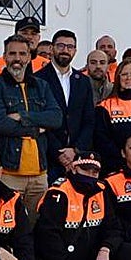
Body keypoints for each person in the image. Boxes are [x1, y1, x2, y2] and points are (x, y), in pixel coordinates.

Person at [0, 35, 62, 217]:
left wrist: (21, 116)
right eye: (12, 53)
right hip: (9, 174)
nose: (17, 58)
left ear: (29, 56)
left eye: (22, 53)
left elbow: (56, 118)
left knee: (35, 227)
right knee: (7, 225)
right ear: (4, 56)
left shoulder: (41, 86)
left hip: (40, 175)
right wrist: (36, 128)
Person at [41, 30, 95, 184]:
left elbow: (89, 120)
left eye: (70, 47)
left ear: (75, 51)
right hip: (50, 157)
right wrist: (59, 152)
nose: (65, 50)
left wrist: (75, 149)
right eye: (61, 46)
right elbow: (40, 120)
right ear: (51, 48)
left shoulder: (83, 81)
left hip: (78, 157)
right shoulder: (38, 79)